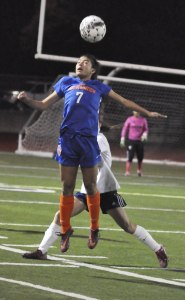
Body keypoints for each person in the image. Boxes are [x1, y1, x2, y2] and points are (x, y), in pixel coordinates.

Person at [17, 54, 167, 253]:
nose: (80, 64)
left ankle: (95, 229)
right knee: (66, 188)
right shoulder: (66, 82)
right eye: (78, 61)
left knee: (99, 196)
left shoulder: (99, 90)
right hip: (68, 140)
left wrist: (147, 113)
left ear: (93, 70)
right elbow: (43, 104)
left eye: (85, 62)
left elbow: (124, 101)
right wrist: (28, 99)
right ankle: (59, 235)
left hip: (95, 165)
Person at [22, 121, 168, 268]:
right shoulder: (85, 138)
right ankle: (42, 251)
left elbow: (91, 158)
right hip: (87, 190)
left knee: (127, 226)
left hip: (105, 191)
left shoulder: (99, 139)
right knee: (60, 215)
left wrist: (68, 148)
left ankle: (158, 249)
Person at [120, 111, 149, 176]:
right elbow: (125, 128)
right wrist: (122, 138)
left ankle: (139, 171)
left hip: (140, 141)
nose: (137, 113)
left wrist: (144, 134)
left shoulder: (143, 120)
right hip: (131, 141)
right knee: (130, 156)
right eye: (135, 111)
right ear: (133, 112)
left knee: (140, 157)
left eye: (138, 111)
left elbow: (146, 129)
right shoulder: (129, 119)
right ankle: (127, 171)